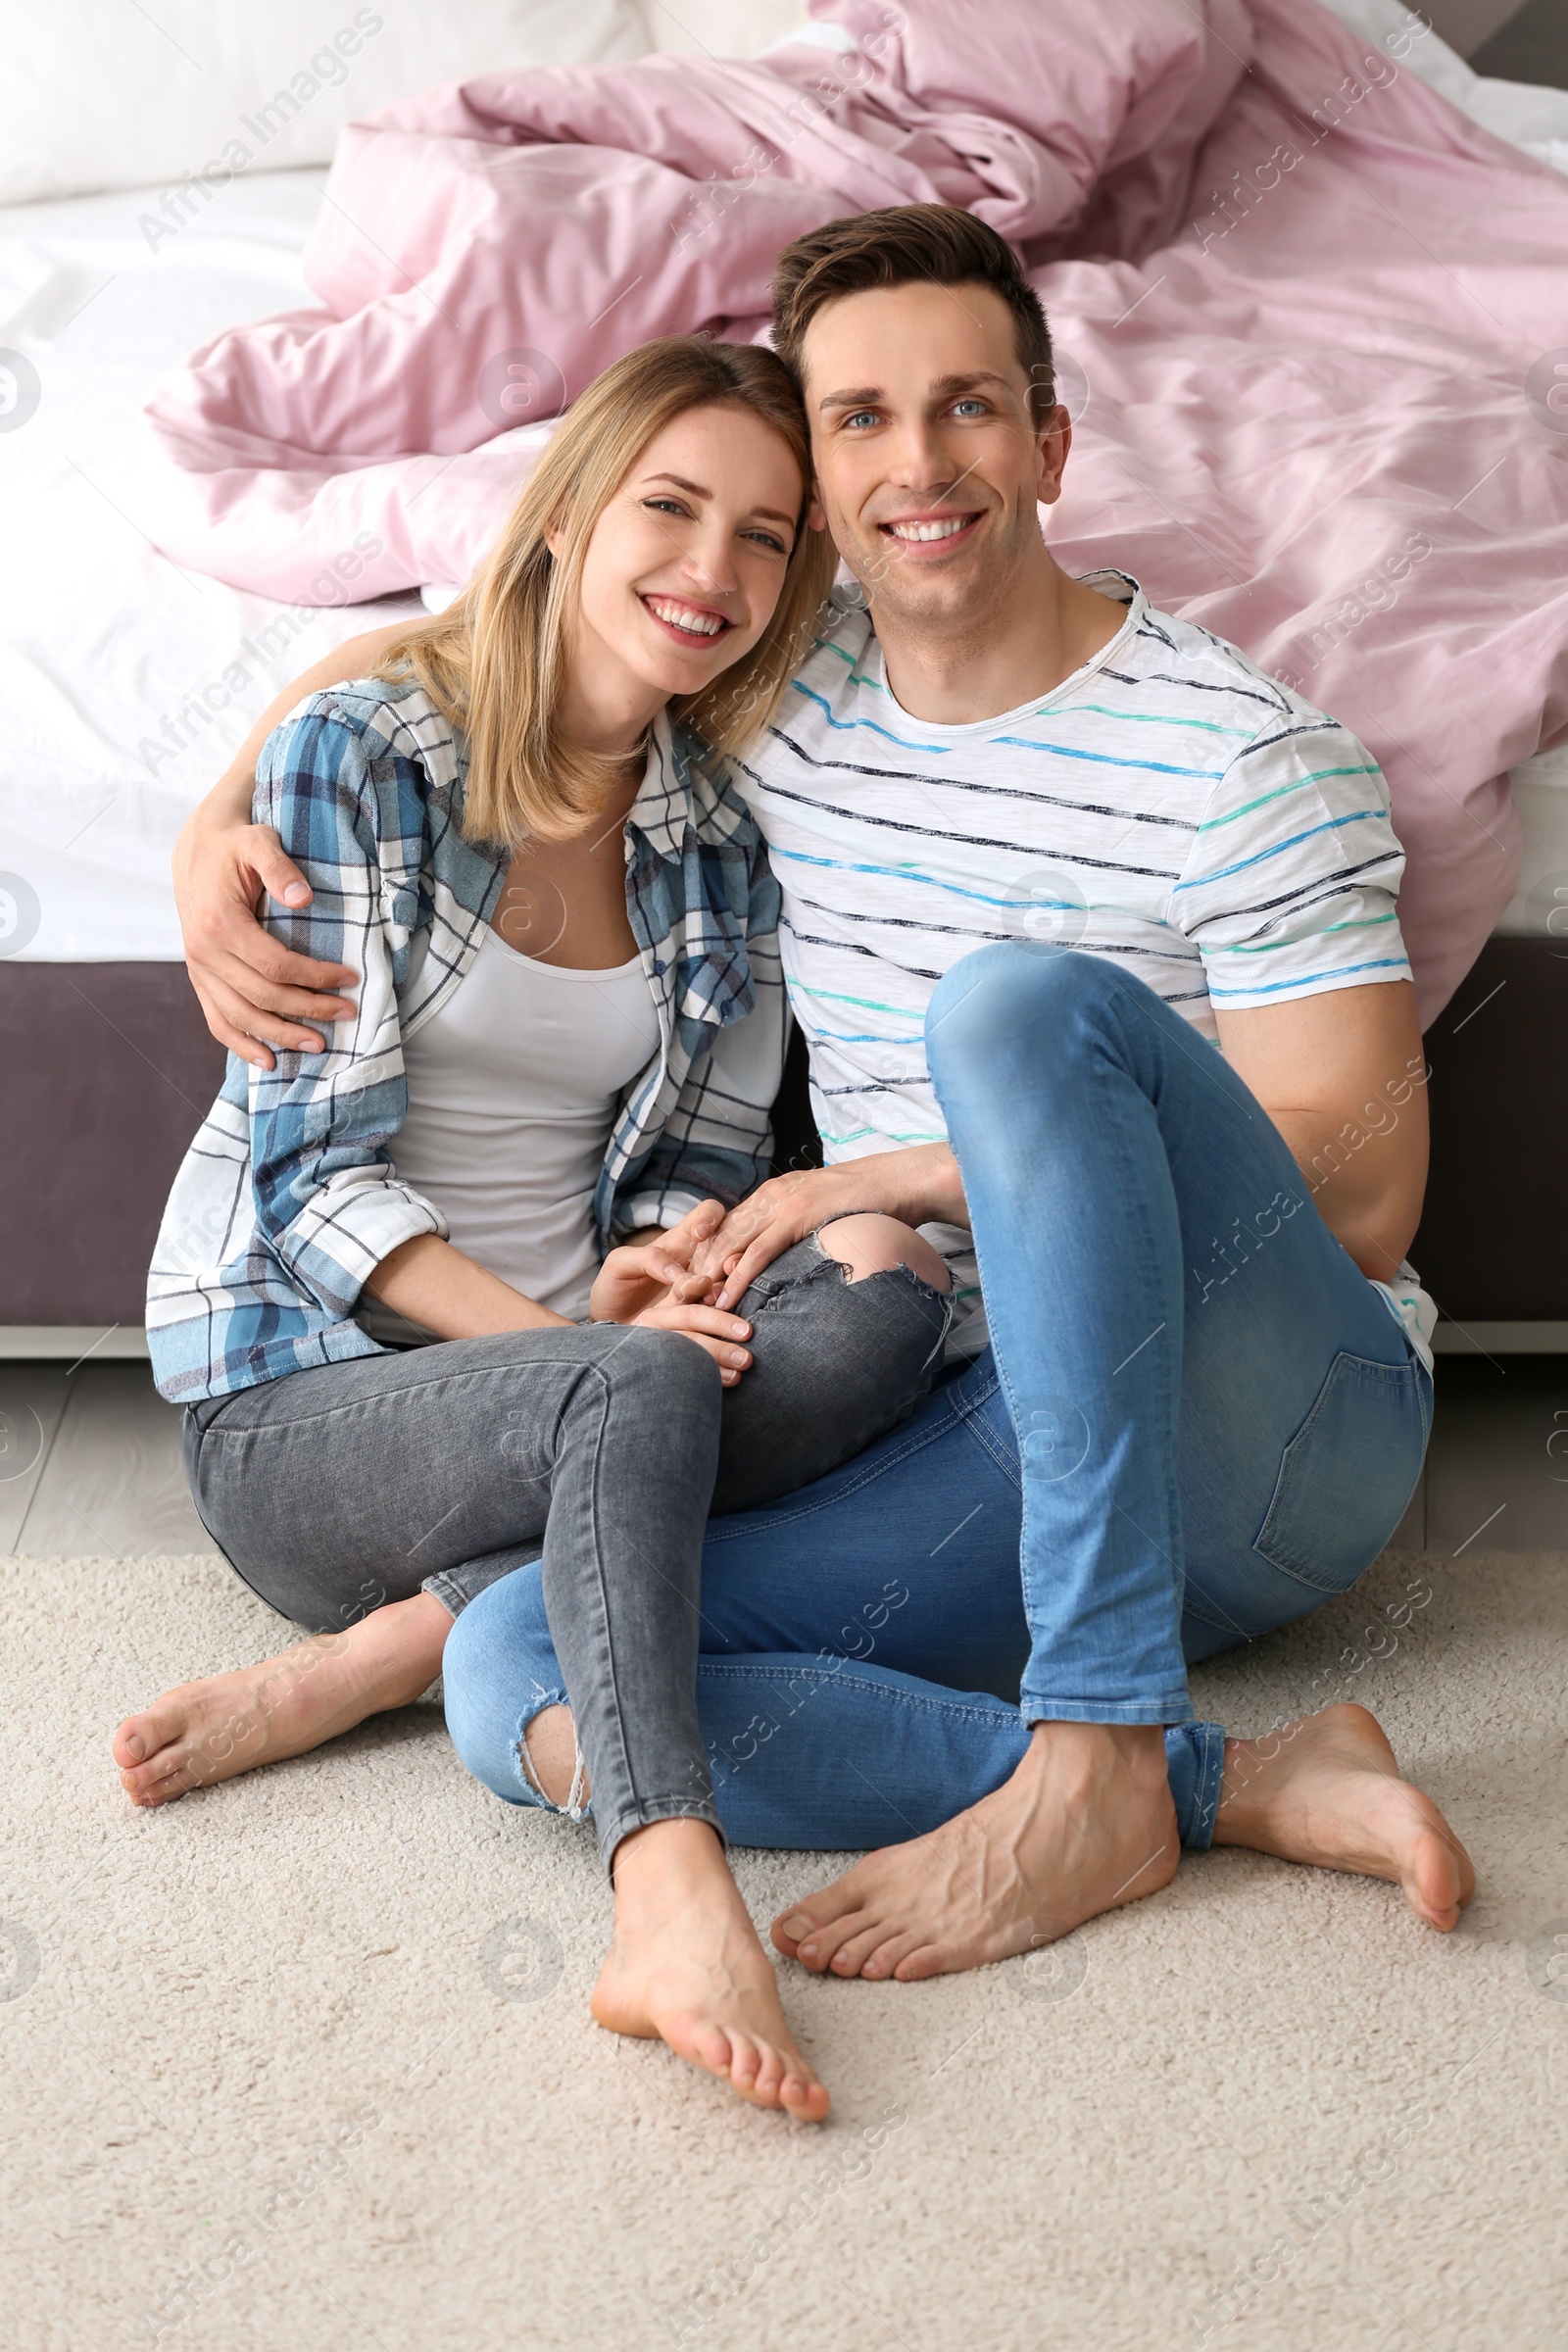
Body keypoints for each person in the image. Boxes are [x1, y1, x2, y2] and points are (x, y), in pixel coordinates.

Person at [158, 208, 1473, 2041]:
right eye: (858, 420)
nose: (915, 464)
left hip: (1275, 1421)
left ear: (1050, 443)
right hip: (978, 1418)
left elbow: (1366, 1196)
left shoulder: (1245, 755)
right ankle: (1230, 1781)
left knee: (1013, 1012)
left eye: (967, 411)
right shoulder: (784, 692)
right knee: (519, 1669)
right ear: (824, 478)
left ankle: (1093, 1747)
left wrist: (904, 1173)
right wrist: (215, 825)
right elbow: (486, 660)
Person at [122, 334, 963, 2124]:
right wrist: (589, 1346)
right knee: (638, 1394)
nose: (712, 574)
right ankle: (666, 1890)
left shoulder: (720, 848)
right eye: (670, 508)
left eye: (762, 540)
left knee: (884, 1301)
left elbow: (691, 1152)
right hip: (308, 1409)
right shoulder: (366, 757)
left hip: (574, 1372)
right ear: (570, 512)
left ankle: (409, 1649)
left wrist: (658, 1264)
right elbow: (311, 1187)